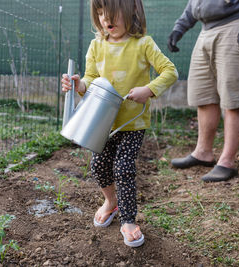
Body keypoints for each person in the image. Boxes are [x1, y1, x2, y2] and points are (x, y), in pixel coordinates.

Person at [61, 0, 178, 247]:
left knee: (123, 167)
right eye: (100, 12)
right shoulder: (96, 46)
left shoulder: (143, 44)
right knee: (99, 165)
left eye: (111, 12)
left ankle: (128, 219)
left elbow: (170, 71)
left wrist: (149, 89)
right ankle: (110, 202)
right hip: (103, 121)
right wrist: (78, 85)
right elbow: (91, 80)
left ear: (132, 11)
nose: (105, 18)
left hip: (133, 123)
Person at [168, 0, 239, 182]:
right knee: (204, 96)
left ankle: (227, 162)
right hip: (206, 30)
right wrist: (180, 27)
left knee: (233, 98)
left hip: (238, 22)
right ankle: (203, 152)